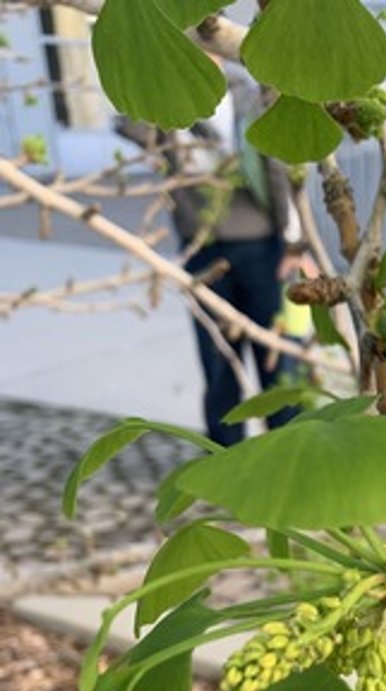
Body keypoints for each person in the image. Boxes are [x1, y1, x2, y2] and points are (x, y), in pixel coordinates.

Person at [117, 61, 318, 446]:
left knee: (277, 356)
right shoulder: (169, 103)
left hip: (263, 245)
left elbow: (277, 169)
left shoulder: (247, 97)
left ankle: (292, 451)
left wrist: (295, 242)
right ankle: (225, 459)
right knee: (217, 361)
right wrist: (157, 80)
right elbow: (130, 124)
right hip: (202, 250)